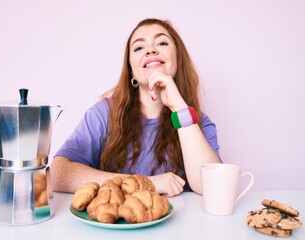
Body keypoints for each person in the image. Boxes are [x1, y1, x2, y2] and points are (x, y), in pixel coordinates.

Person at [51, 18, 221, 197]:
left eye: (162, 43)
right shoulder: (103, 114)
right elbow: (58, 174)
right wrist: (146, 184)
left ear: (178, 59)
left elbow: (214, 188)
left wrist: (179, 107)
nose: (150, 50)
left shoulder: (198, 122)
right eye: (139, 48)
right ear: (131, 70)